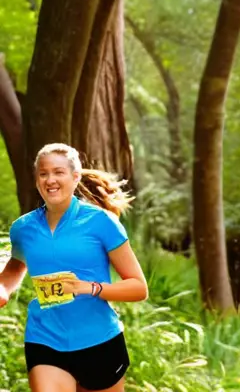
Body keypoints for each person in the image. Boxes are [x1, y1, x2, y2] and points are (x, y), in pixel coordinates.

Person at [0, 143, 148, 392]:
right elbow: (15, 268)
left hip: (99, 340)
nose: (50, 180)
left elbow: (138, 287)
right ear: (36, 180)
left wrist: (88, 288)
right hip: (44, 338)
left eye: (59, 172)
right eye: (43, 173)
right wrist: (3, 289)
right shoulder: (22, 229)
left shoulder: (101, 222)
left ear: (75, 177)